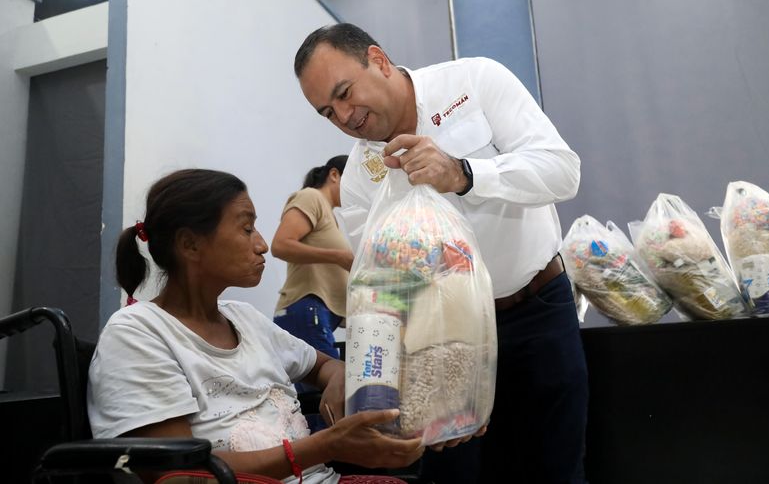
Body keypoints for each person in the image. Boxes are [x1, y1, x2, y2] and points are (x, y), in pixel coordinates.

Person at [294, 24, 589, 483]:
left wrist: (465, 173)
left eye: (346, 93)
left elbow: (562, 171)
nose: (345, 116)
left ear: (379, 60)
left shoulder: (473, 83)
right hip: (441, 348)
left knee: (554, 470)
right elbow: (383, 296)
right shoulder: (357, 180)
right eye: (327, 111)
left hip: (534, 311)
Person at [87, 168, 423, 483]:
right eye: (247, 229)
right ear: (190, 244)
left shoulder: (244, 318)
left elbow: (325, 366)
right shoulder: (138, 333)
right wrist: (328, 445)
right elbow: (179, 473)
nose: (262, 244)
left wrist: (338, 377)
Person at [271, 155, 352, 362]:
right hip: (307, 309)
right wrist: (337, 257)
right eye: (353, 181)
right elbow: (281, 245)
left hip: (318, 315)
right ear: (334, 175)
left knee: (323, 390)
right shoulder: (311, 197)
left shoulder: (331, 215)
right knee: (333, 387)